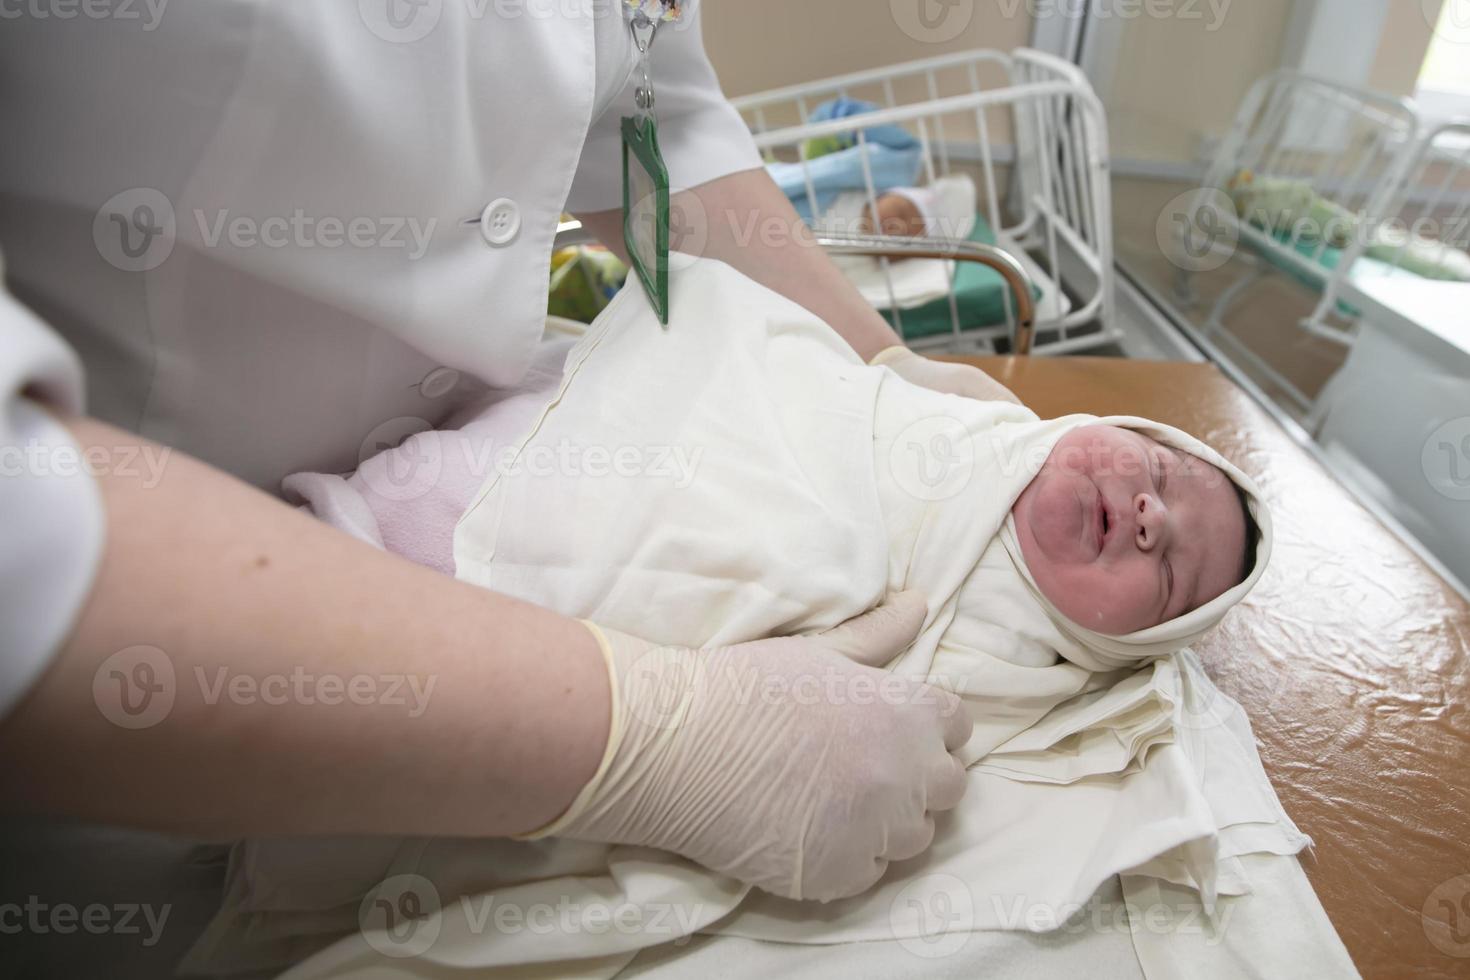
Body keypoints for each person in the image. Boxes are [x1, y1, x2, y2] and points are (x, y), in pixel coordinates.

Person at [0, 2, 1021, 956]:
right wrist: (663, 740)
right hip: (111, 755)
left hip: (473, 627)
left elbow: (646, 114)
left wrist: (886, 368)